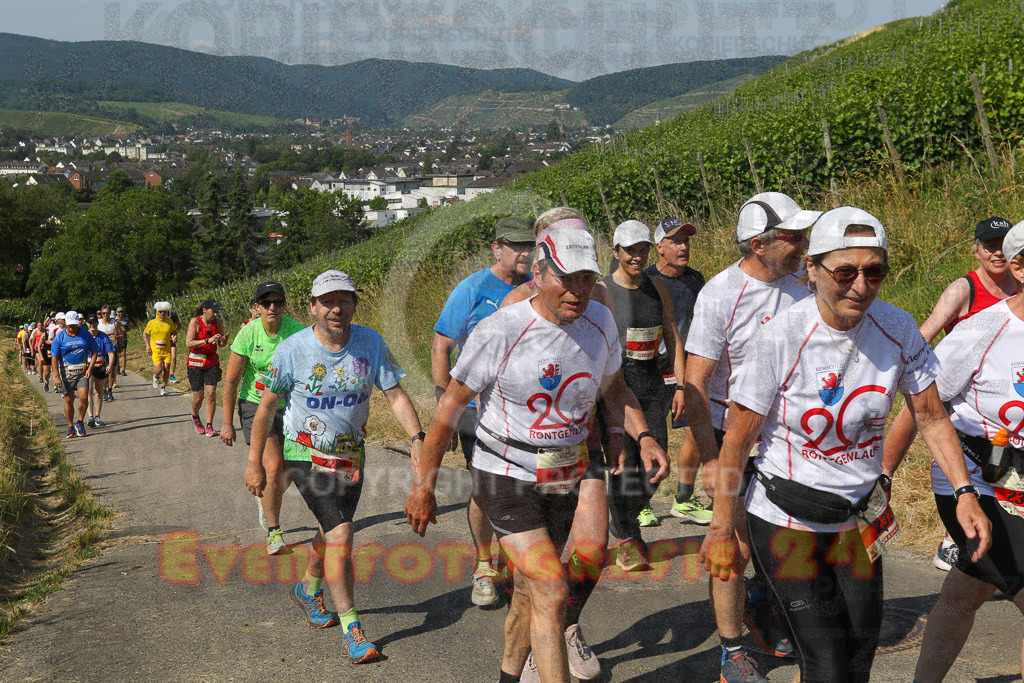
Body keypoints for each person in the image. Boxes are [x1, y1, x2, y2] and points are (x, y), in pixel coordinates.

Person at [701, 206, 993, 683]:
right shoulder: (780, 337)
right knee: (826, 664)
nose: (861, 285)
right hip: (786, 521)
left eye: (874, 271)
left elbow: (931, 416)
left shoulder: (897, 328)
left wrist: (964, 493)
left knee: (859, 655)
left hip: (859, 521)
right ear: (812, 270)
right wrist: (719, 529)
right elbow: (737, 441)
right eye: (845, 271)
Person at [406, 227, 669, 683]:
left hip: (565, 467)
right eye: (566, 279)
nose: (577, 291)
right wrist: (423, 487)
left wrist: (643, 435)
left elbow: (615, 388)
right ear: (541, 273)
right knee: (549, 588)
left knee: (532, 594)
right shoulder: (502, 329)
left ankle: (512, 673)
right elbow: (450, 405)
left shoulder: (602, 323)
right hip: (504, 472)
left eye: (586, 279)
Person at [245, 269, 424, 664]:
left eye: (344, 300)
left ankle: (308, 590)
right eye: (327, 301)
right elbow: (266, 409)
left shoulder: (370, 342)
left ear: (355, 304)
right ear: (313, 307)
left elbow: (393, 394)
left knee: (331, 532)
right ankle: (352, 630)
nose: (336, 308)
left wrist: (416, 438)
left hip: (351, 456)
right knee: (342, 535)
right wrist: (254, 461)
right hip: (305, 454)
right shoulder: (293, 349)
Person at [684, 192, 820, 682]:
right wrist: (711, 458)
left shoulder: (806, 283)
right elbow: (695, 384)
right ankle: (732, 652)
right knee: (733, 548)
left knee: (786, 542)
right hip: (732, 436)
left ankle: (768, 615)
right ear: (758, 245)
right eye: (793, 237)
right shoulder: (722, 293)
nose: (804, 244)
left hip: (788, 436)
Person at [884, 219, 1024, 681]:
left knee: (967, 590)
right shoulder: (984, 331)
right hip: (977, 483)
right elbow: (924, 406)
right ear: (1020, 266)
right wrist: (883, 474)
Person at [500, 208, 616, 681]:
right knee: (535, 584)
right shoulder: (514, 305)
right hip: (526, 457)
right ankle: (531, 651)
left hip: (582, 447)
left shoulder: (601, 301)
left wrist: (619, 434)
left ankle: (567, 626)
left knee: (592, 548)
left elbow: (611, 375)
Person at [430, 215, 535, 608]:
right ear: (498, 247)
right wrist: (446, 405)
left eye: (530, 246)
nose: (525, 253)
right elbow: (442, 344)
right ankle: (484, 566)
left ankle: (517, 561)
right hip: (476, 407)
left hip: (524, 411)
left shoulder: (538, 286)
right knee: (483, 487)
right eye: (518, 246)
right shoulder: (472, 288)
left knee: (522, 486)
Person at [916, 216, 1016, 571]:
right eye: (989, 246)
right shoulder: (965, 290)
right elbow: (921, 339)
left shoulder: (1019, 287)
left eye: (1004, 244)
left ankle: (977, 558)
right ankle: (956, 541)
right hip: (956, 400)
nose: (997, 252)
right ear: (976, 250)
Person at [602, 220, 684, 569]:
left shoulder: (658, 288)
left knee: (656, 466)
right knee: (625, 466)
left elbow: (673, 336)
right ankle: (627, 535)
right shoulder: (601, 291)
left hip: (651, 384)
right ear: (616, 252)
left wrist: (680, 385)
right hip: (615, 389)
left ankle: (622, 519)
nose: (637, 257)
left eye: (642, 250)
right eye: (630, 250)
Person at [222, 281, 305, 555]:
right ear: (257, 307)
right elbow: (231, 381)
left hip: (288, 404)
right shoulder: (248, 334)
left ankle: (268, 498)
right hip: (255, 404)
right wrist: (226, 423)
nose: (272, 307)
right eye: (266, 303)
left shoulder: (296, 331)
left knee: (290, 469)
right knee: (272, 465)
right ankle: (274, 531)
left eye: (278, 302)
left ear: (284, 305)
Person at [644, 217, 712, 524]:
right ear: (660, 247)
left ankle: (683, 498)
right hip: (645, 368)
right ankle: (639, 503)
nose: (683, 247)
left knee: (697, 429)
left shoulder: (696, 280)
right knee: (648, 437)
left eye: (686, 241)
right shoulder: (642, 280)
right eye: (675, 241)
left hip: (681, 367)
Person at [51, 311, 99, 439]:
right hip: (66, 374)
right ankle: (70, 426)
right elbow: (54, 358)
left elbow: (94, 351)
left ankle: (80, 422)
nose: (72, 327)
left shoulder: (85, 335)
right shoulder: (59, 338)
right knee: (69, 400)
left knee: (84, 397)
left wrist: (90, 367)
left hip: (82, 372)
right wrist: (56, 376)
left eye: (74, 324)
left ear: (79, 322)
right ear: (65, 323)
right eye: (69, 325)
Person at [185, 299, 229, 437]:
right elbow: (189, 343)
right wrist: (207, 341)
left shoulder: (218, 323)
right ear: (205, 310)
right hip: (195, 363)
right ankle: (195, 416)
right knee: (198, 397)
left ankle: (210, 425)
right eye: (213, 312)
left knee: (211, 394)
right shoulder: (195, 322)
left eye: (217, 312)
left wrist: (224, 340)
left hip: (211, 362)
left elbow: (221, 345)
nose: (216, 315)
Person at [84, 316, 116, 428]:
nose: (92, 325)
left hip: (100, 367)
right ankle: (90, 417)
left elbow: (111, 352)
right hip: (88, 368)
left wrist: (110, 365)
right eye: (90, 323)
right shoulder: (84, 336)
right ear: (87, 324)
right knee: (88, 392)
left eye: (94, 323)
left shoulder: (103, 336)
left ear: (97, 323)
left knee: (98, 392)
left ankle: (97, 416)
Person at [144, 302, 177, 395]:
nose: (162, 313)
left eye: (164, 312)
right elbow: (145, 334)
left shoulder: (169, 322)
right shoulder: (152, 322)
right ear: (157, 312)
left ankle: (163, 387)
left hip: (167, 350)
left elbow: (174, 332)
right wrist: (147, 345)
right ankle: (156, 376)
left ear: (167, 313)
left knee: (166, 369)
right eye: (160, 312)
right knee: (159, 369)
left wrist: (174, 336)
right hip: (156, 350)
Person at [97, 306, 119, 397]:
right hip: (101, 350)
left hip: (112, 349)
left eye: (107, 313)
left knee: (112, 371)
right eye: (103, 313)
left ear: (110, 313)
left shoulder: (115, 323)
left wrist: (116, 337)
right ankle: (104, 390)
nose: (105, 315)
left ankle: (110, 390)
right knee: (103, 371)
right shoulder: (98, 323)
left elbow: (121, 334)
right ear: (101, 314)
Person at [114, 307, 131, 377]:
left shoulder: (126, 319)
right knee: (117, 355)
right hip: (116, 339)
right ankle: (118, 368)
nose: (120, 313)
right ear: (116, 312)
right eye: (119, 312)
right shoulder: (113, 319)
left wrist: (126, 329)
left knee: (123, 354)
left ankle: (123, 370)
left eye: (121, 312)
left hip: (124, 338)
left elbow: (129, 328)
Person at [168, 309, 182, 384]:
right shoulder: (156, 316)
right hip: (161, 339)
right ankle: (162, 373)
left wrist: (175, 334)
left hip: (171, 337)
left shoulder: (173, 315)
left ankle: (172, 375)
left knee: (173, 356)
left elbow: (179, 325)